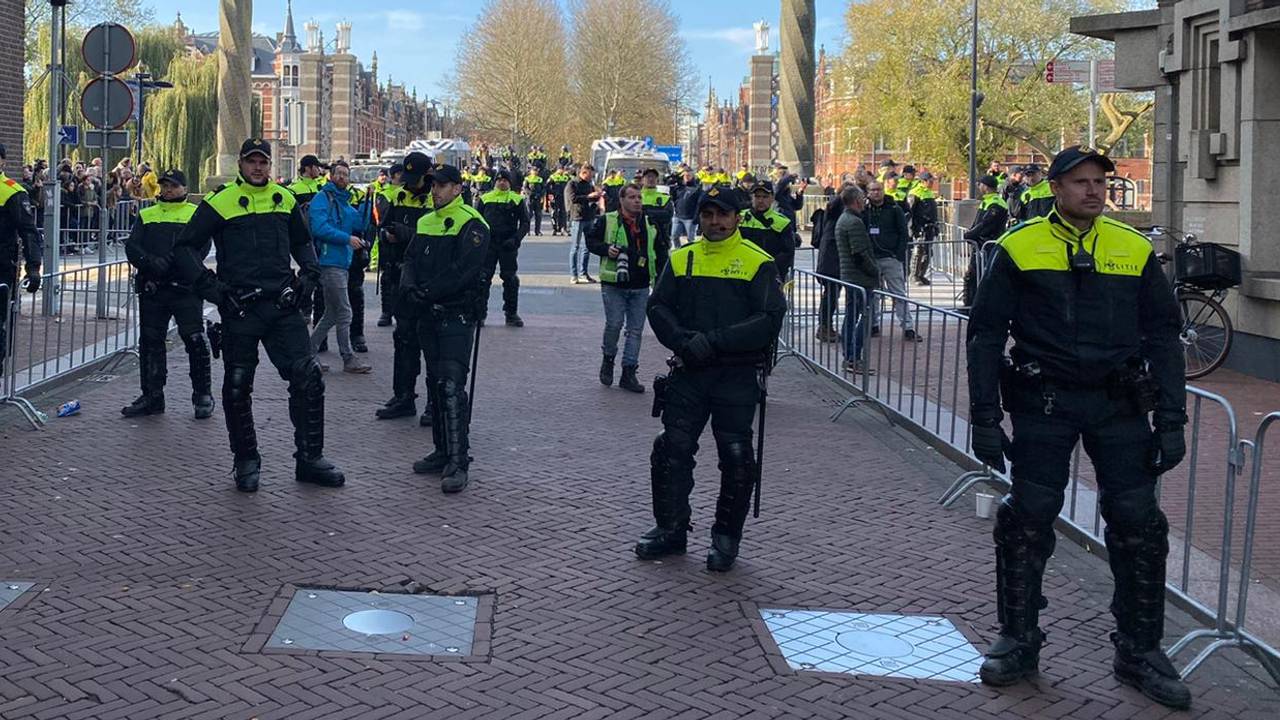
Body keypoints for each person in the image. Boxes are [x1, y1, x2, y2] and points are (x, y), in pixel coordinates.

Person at [966, 147, 1189, 709]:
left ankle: (1140, 649)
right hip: (1045, 403)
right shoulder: (1017, 248)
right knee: (1027, 520)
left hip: (1119, 407)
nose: (1093, 191)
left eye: (1099, 182)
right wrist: (985, 417)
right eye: (1081, 182)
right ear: (1056, 188)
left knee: (1139, 525)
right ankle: (1019, 640)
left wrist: (1171, 417)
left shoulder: (1134, 249)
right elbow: (986, 335)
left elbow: (1164, 336)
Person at [173, 138, 345, 493]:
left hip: (282, 307)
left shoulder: (284, 200)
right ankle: (246, 460)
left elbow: (302, 242)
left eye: (263, 162)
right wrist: (214, 290)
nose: (257, 168)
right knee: (237, 388)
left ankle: (310, 459)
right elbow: (185, 249)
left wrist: (309, 275)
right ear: (240, 164)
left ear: (270, 165)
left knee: (309, 379)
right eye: (251, 162)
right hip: (241, 309)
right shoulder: (219, 202)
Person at [638, 186, 787, 571]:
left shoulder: (758, 262)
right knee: (671, 450)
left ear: (737, 217)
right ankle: (670, 529)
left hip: (735, 376)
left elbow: (769, 320)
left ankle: (725, 539)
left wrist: (715, 343)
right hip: (689, 372)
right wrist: (684, 342)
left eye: (722, 215)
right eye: (707, 215)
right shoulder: (683, 257)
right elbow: (659, 306)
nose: (715, 222)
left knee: (736, 458)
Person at [403, 163, 490, 494]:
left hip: (456, 315)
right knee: (435, 382)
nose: (435, 190)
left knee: (452, 384)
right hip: (427, 314)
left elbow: (464, 270)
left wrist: (428, 291)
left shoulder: (472, 222)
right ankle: (441, 451)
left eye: (441, 185)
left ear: (457, 188)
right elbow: (410, 259)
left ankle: (458, 460)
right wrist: (409, 287)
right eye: (433, 185)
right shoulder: (425, 221)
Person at [121, 169, 213, 418]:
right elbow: (133, 245)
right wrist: (149, 262)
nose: (168, 190)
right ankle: (152, 396)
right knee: (151, 343)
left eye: (173, 186)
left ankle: (202, 395)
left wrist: (174, 264)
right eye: (164, 185)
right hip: (154, 288)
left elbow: (201, 247)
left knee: (195, 340)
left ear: (184, 188)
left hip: (185, 288)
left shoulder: (196, 214)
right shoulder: (147, 214)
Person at [586, 183, 664, 394]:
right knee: (614, 324)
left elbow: (660, 251)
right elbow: (590, 241)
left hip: (640, 284)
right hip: (614, 283)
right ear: (621, 200)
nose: (637, 200)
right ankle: (608, 359)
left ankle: (629, 372)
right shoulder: (608, 220)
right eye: (632, 197)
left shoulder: (650, 222)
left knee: (635, 330)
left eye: (639, 197)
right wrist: (605, 249)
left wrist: (660, 281)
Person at [374, 153, 434, 423]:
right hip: (402, 278)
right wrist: (386, 235)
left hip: (431, 282)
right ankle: (404, 397)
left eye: (415, 179)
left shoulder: (439, 198)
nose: (408, 184)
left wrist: (404, 233)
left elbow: (433, 241)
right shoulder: (397, 196)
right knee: (404, 340)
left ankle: (436, 404)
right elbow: (382, 228)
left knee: (434, 345)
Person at [308, 160, 372, 374]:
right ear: (331, 176)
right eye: (339, 174)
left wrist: (368, 201)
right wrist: (347, 239)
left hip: (341, 264)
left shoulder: (344, 202)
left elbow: (360, 223)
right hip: (329, 263)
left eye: (346, 174)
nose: (343, 177)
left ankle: (308, 353)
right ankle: (348, 357)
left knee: (332, 314)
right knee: (344, 312)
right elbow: (319, 227)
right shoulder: (322, 199)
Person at [0, 143, 44, 372]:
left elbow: (29, 232)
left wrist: (34, 267)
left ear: (2, 162)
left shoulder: (12, 191)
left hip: (1, 268)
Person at [862, 181, 919, 341]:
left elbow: (903, 233)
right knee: (873, 295)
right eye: (872, 190)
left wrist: (898, 254)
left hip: (890, 258)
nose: (876, 193)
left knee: (898, 293)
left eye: (878, 190)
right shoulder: (864, 210)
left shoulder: (894, 209)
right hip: (871, 258)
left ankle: (908, 327)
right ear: (868, 192)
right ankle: (874, 324)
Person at [477, 170, 529, 327]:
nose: (502, 182)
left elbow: (525, 223)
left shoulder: (517, 199)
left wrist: (516, 240)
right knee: (483, 278)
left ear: (510, 183)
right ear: (495, 182)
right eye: (499, 180)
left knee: (510, 279)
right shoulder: (485, 199)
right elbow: (476, 221)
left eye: (505, 180)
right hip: (489, 245)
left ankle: (511, 314)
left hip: (508, 245)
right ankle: (479, 314)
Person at [835, 185, 878, 375]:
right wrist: (875, 271)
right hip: (860, 278)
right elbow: (859, 254)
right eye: (861, 197)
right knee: (863, 318)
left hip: (850, 275)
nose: (865, 200)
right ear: (856, 200)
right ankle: (853, 357)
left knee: (851, 316)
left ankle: (849, 356)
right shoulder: (853, 222)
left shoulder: (844, 219)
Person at [961, 174, 1008, 309]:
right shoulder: (986, 201)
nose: (979, 187)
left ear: (986, 186)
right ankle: (971, 304)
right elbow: (977, 222)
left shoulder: (996, 203)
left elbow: (986, 224)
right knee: (973, 274)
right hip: (980, 244)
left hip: (988, 244)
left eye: (980, 184)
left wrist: (971, 234)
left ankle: (979, 305)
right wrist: (971, 233)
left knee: (983, 275)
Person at [812, 184, 850, 343]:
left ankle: (826, 326)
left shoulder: (836, 211)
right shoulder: (835, 208)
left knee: (832, 294)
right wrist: (844, 194)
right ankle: (825, 326)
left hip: (832, 260)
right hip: (830, 262)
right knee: (831, 294)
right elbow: (834, 205)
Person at [738, 181, 795, 280]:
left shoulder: (782, 222)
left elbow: (787, 253)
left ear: (772, 198)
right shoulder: (738, 218)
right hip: (740, 273)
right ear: (752, 198)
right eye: (757, 196)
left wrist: (771, 270)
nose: (760, 200)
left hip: (768, 275)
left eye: (765, 197)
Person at [566, 164, 602, 284]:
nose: (592, 177)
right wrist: (588, 197)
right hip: (577, 217)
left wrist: (598, 196)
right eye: (590, 175)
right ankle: (574, 274)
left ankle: (584, 273)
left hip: (589, 217)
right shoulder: (572, 184)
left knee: (587, 247)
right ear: (584, 173)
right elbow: (573, 199)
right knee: (575, 247)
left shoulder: (590, 184)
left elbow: (592, 199)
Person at [908, 171, 940, 285]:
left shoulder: (930, 193)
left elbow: (933, 212)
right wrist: (912, 229)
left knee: (928, 252)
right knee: (918, 251)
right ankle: (914, 276)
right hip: (920, 228)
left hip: (930, 228)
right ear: (923, 181)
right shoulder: (915, 193)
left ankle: (921, 275)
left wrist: (936, 225)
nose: (932, 183)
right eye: (930, 181)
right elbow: (910, 212)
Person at [639, 168, 673, 265]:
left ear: (657, 180)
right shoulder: (637, 197)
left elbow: (667, 216)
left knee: (661, 272)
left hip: (660, 241)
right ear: (642, 180)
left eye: (653, 177)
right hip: (640, 242)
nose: (651, 179)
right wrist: (656, 213)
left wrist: (646, 212)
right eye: (648, 177)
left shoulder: (665, 198)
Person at [670, 168, 701, 249]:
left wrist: (697, 217)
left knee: (691, 239)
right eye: (685, 176)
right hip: (678, 216)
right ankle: (678, 251)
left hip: (690, 218)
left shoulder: (696, 188)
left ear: (692, 176)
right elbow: (672, 196)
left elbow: (699, 204)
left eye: (689, 175)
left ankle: (690, 254)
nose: (687, 177)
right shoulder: (679, 188)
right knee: (674, 236)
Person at [547, 166, 571, 235]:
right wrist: (552, 194)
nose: (561, 171)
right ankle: (554, 228)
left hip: (564, 198)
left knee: (563, 213)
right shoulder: (552, 177)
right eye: (560, 169)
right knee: (554, 213)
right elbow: (547, 187)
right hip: (555, 197)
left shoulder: (566, 177)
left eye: (562, 169)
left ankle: (563, 228)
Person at [522, 167, 545, 237]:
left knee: (538, 215)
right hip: (530, 199)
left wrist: (540, 195)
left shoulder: (540, 179)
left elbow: (543, 188)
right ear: (531, 171)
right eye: (533, 170)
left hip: (538, 199)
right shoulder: (527, 179)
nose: (535, 172)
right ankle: (527, 230)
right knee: (529, 215)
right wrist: (530, 193)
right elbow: (525, 188)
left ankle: (537, 231)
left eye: (536, 171)